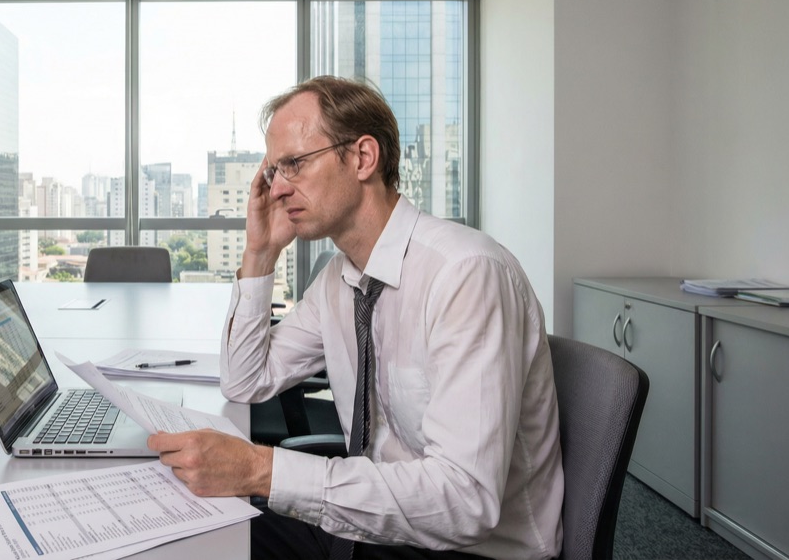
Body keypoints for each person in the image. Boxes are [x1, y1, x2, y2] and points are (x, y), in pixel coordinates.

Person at [147, 76, 564, 560]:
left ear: (363, 158)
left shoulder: (465, 275)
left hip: (468, 550)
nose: (277, 189)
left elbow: (465, 501)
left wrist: (261, 469)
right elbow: (246, 382)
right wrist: (259, 252)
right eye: (274, 171)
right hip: (378, 524)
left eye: (294, 164)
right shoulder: (339, 282)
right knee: (193, 532)